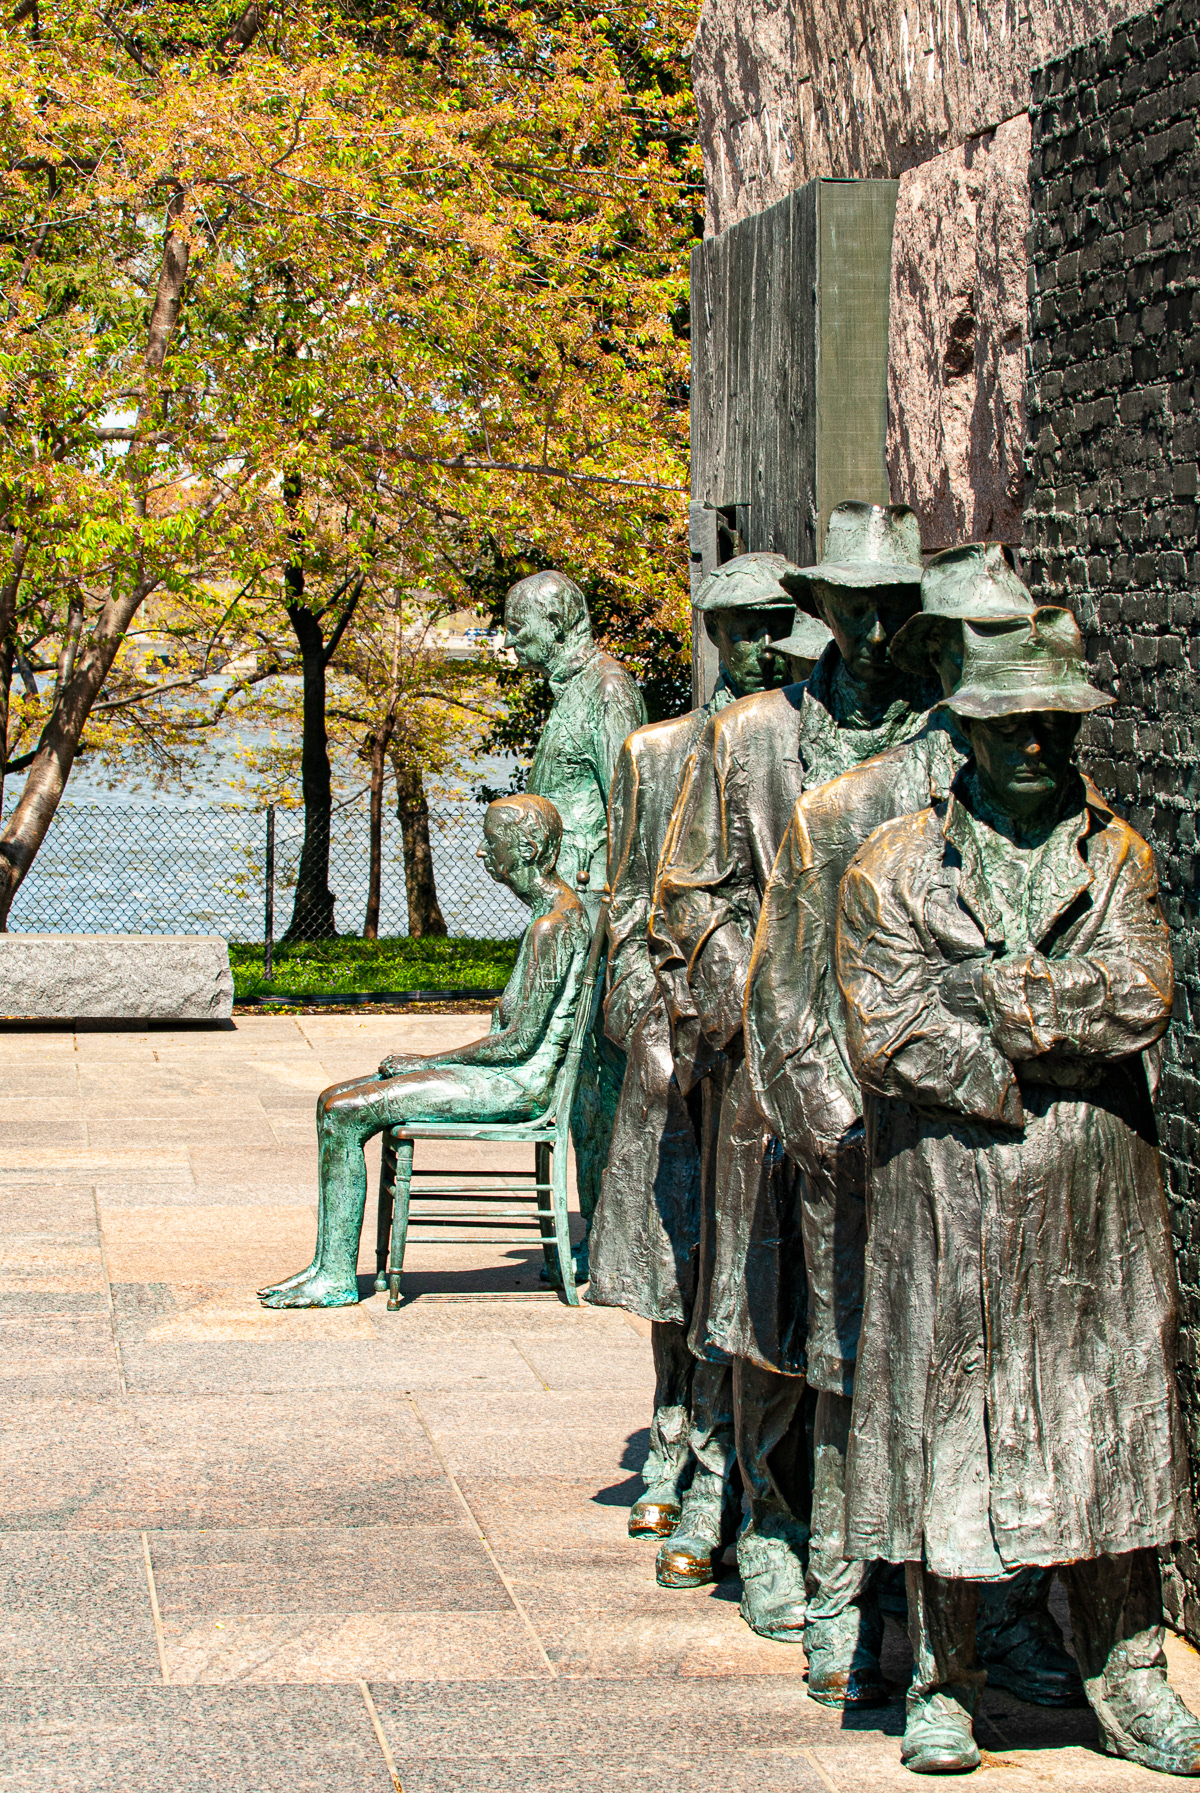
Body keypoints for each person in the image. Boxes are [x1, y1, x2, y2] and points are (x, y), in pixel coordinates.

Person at [836, 607, 1200, 1776]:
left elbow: (1142, 994)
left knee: (1114, 1429)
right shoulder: (892, 866)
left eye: (1052, 720)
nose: (1035, 741)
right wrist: (1040, 1056)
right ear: (966, 729)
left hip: (1097, 1193)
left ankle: (1130, 1675)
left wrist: (1000, 1001)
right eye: (1010, 723)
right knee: (948, 1427)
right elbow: (888, 1032)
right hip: (947, 1192)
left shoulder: (1119, 855)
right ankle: (944, 1678)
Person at [747, 543, 1082, 1708]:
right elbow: (786, 1000)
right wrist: (844, 1140)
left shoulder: (1057, 810)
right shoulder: (849, 811)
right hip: (872, 1158)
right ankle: (845, 1602)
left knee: (1010, 1380)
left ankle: (1009, 1611)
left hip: (1012, 1160)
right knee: (858, 1379)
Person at [651, 502, 931, 1642]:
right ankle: (768, 1523)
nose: (874, 632)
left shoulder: (948, 737)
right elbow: (688, 898)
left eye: (893, 609)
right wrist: (755, 1009)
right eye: (854, 609)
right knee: (766, 1303)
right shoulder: (753, 736)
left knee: (889, 1313)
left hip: (906, 1073)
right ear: (824, 611)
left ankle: (885, 1549)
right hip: (771, 1072)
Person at [588, 554, 797, 1542]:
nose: (764, 645)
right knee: (677, 1259)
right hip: (678, 1042)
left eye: (778, 625)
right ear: (716, 636)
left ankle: (740, 1461)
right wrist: (649, 1011)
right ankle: (673, 1432)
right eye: (745, 627)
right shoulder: (657, 750)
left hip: (768, 1047)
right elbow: (630, 901)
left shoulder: (796, 747)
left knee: (750, 1264)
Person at [258, 796, 590, 1309]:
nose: (482, 851)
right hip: (507, 1073)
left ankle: (335, 1277)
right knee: (332, 1100)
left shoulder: (552, 927)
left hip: (516, 1084)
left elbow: (519, 1042)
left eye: (492, 840)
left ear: (526, 848)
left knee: (343, 1111)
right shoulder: (554, 917)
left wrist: (426, 1062)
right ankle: (326, 1267)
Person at [504, 570, 646, 1284]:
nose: (511, 641)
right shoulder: (573, 692)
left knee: (594, 1077)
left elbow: (632, 802)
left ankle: (612, 1233)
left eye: (518, 626)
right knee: (577, 1076)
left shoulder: (608, 689)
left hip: (594, 910)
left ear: (557, 623)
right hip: (568, 906)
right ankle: (596, 1227)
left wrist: (614, 912)